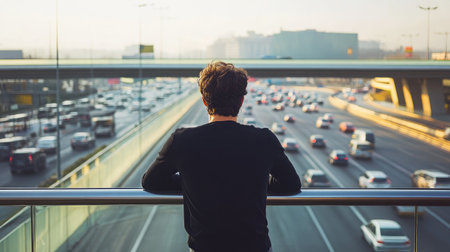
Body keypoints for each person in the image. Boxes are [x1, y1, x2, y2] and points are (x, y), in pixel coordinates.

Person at [142, 61, 301, 252]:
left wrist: (192, 182)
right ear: (241, 102)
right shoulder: (264, 140)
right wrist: (252, 182)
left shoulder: (182, 140)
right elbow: (291, 184)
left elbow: (150, 182)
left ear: (204, 100)